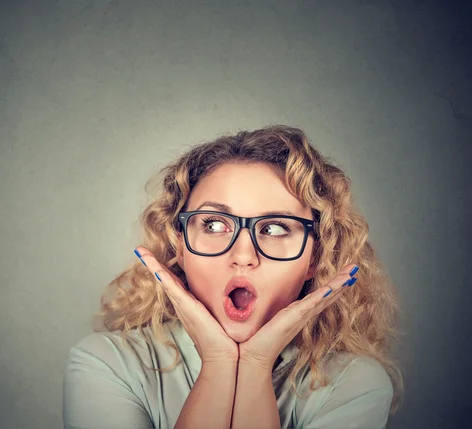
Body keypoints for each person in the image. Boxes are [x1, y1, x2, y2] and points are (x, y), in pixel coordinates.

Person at [62, 125, 404, 429]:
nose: (242, 256)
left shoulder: (352, 383)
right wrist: (218, 364)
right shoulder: (107, 364)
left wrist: (254, 365)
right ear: (179, 245)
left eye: (274, 228)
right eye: (213, 224)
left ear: (314, 257)